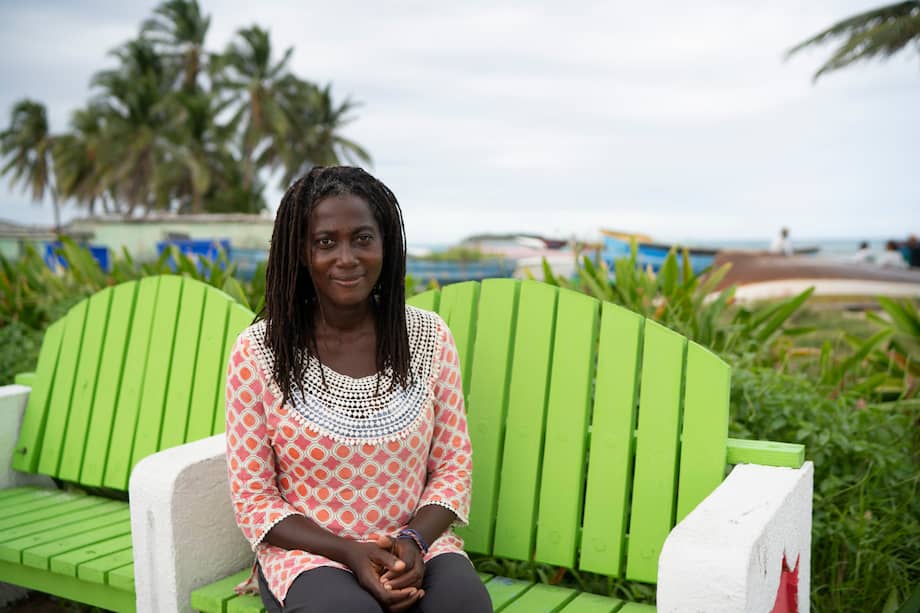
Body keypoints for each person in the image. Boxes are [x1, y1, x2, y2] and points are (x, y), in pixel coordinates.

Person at [225, 166, 492, 613]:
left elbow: (453, 467)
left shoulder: (427, 337)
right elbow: (254, 498)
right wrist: (350, 551)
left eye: (363, 238)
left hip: (415, 544)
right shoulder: (260, 351)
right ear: (300, 253)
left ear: (386, 245)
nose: (346, 257)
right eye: (325, 242)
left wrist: (411, 542)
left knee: (464, 606)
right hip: (311, 554)